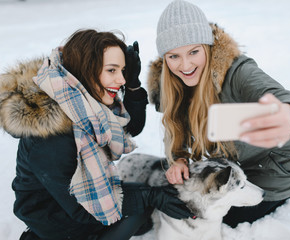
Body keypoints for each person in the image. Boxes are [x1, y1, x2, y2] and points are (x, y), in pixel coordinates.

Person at [0, 29, 194, 240]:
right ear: (86, 69)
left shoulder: (83, 101)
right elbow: (82, 207)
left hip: (75, 199)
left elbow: (130, 127)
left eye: (123, 70)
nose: (120, 79)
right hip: (55, 215)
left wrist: (133, 83)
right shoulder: (51, 136)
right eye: (112, 70)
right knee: (140, 205)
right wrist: (149, 197)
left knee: (142, 208)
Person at [147, 0, 290, 227]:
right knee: (194, 206)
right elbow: (175, 132)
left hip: (275, 161)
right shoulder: (173, 86)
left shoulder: (236, 71)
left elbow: (280, 95)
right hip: (237, 168)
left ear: (207, 46)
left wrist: (287, 112)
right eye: (174, 56)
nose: (185, 65)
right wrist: (179, 159)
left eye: (193, 51)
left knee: (219, 219)